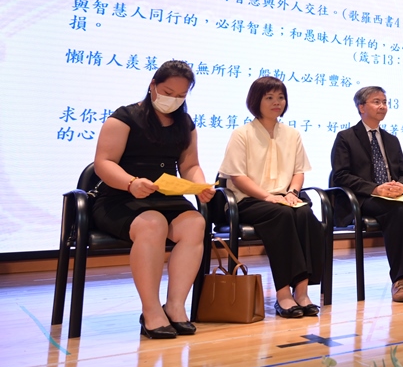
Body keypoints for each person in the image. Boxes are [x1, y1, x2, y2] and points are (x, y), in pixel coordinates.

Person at [91, 60, 216, 339]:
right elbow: (103, 163)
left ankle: (175, 305)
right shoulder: (124, 117)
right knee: (153, 224)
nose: (174, 100)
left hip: (166, 197)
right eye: (168, 92)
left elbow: (190, 165)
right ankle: (151, 311)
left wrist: (199, 186)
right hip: (121, 197)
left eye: (181, 95)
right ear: (153, 86)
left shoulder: (185, 124)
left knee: (195, 223)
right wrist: (131, 183)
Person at [218, 77, 325, 318]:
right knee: (282, 214)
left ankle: (302, 292)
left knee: (305, 213)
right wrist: (268, 197)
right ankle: (283, 294)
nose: (277, 102)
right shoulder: (242, 134)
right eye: (269, 97)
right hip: (247, 200)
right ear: (256, 100)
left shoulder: (292, 134)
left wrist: (292, 193)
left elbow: (299, 171)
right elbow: (237, 177)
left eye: (280, 97)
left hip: (283, 198)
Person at [330, 86, 403, 302]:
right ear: (361, 107)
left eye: (384, 102)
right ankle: (399, 280)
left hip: (393, 196)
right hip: (363, 199)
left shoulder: (391, 139)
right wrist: (375, 188)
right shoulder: (345, 137)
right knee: (397, 210)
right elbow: (340, 176)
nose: (382, 106)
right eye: (376, 102)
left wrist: (402, 187)